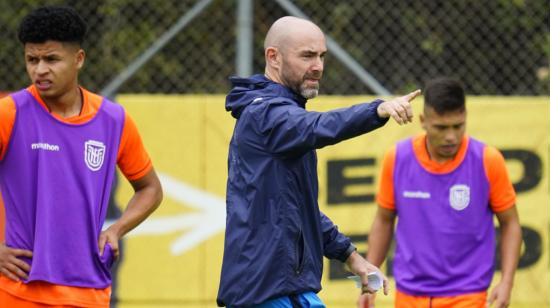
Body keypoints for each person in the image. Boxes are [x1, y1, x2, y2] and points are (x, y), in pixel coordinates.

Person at [216, 16, 422, 307]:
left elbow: (298, 210)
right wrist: (377, 110)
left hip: (292, 289)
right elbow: (319, 126)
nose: (318, 66)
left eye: (322, 56)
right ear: (273, 57)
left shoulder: (281, 114)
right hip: (262, 292)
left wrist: (352, 258)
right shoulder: (265, 115)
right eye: (307, 56)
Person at [0, 6, 163, 307]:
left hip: (89, 294)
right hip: (17, 292)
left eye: (51, 59)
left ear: (79, 59)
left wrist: (116, 230)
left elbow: (150, 189)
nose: (39, 70)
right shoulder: (9, 114)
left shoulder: (113, 120)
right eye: (31, 60)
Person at [359, 77, 522, 308]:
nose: (451, 137)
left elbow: (511, 223)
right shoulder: (397, 158)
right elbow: (384, 221)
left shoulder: (488, 160)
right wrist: (371, 281)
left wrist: (507, 282)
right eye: (441, 127)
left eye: (458, 126)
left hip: (468, 295)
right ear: (424, 121)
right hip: (409, 294)